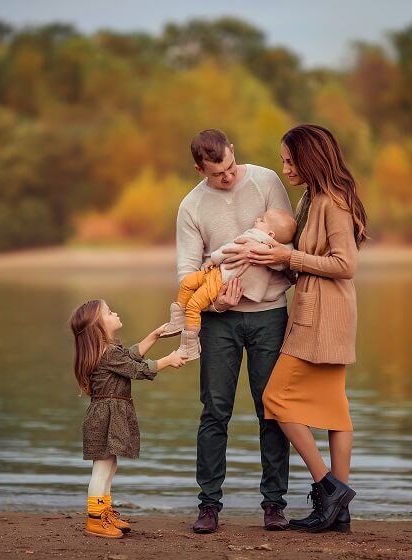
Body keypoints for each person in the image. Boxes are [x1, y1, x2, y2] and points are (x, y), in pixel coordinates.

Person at [246, 124, 368, 533]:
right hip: (323, 310)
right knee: (335, 409)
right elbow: (300, 258)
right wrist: (278, 257)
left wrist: (289, 256)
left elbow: (345, 265)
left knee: (276, 399)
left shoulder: (332, 202)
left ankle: (328, 488)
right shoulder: (312, 198)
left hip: (323, 314)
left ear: (309, 159)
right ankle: (340, 511)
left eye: (288, 159)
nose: (284, 167)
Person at [176, 128, 294, 533]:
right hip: (218, 320)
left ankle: (274, 505)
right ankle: (209, 505)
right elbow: (187, 274)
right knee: (214, 412)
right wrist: (215, 301)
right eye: (216, 173)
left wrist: (265, 258)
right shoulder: (191, 206)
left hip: (270, 313)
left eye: (229, 166)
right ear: (199, 169)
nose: (227, 177)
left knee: (273, 412)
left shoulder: (266, 181)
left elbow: (289, 246)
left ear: (233, 152)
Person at [70, 299, 186, 539]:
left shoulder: (110, 351)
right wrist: (168, 360)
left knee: (109, 466)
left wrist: (154, 336)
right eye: (110, 312)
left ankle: (104, 511)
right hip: (104, 417)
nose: (116, 313)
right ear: (98, 326)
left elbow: (131, 355)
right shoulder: (108, 353)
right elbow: (137, 369)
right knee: (101, 470)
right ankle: (94, 519)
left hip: (106, 415)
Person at [160, 208, 298, 361]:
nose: (257, 219)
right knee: (187, 282)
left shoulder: (256, 236)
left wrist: (213, 259)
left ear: (271, 234)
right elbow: (287, 260)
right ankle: (178, 321)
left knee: (193, 305)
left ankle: (189, 345)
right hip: (217, 276)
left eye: (262, 220)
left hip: (220, 281)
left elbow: (229, 248)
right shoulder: (271, 247)